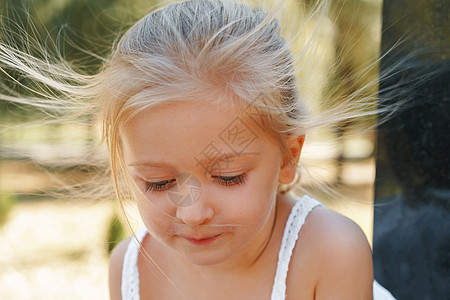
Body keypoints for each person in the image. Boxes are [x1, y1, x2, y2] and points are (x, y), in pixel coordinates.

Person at [0, 0, 396, 299]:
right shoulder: (132, 270)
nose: (192, 213)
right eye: (157, 183)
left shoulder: (329, 252)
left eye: (228, 177)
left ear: (289, 158)